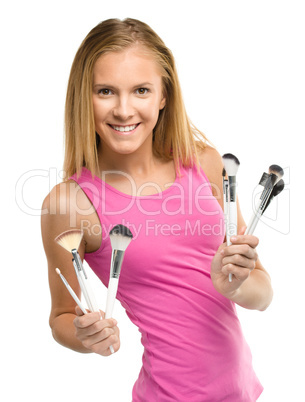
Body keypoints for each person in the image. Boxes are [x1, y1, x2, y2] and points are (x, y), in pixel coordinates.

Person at [41, 18, 273, 401]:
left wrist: (236, 284)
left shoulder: (207, 164)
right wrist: (87, 337)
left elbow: (263, 294)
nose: (123, 109)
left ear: (163, 95)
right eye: (105, 91)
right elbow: (61, 317)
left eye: (141, 90)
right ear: (84, 96)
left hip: (245, 394)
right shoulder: (70, 205)